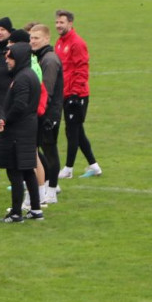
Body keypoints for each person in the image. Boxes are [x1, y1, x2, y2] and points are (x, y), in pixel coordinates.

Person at [0, 42, 44, 222]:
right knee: (26, 170)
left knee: (15, 171)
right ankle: (36, 209)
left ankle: (16, 212)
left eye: (10, 57)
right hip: (28, 128)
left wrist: (6, 119)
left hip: (18, 131)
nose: (7, 60)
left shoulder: (22, 78)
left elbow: (20, 105)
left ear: (19, 58)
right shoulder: (28, 74)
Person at [56, 9, 100, 178]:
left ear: (70, 23)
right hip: (65, 93)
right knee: (77, 131)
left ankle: (68, 168)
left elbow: (82, 69)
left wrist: (75, 94)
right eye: (57, 22)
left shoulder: (77, 43)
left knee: (72, 131)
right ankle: (94, 166)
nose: (59, 25)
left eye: (62, 22)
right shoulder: (60, 42)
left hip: (77, 95)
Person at [29, 24, 63, 205]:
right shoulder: (40, 57)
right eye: (31, 38)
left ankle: (52, 189)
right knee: (39, 149)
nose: (32, 41)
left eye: (36, 38)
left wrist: (41, 113)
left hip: (49, 114)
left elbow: (47, 91)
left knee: (50, 150)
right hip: (43, 112)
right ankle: (47, 184)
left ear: (47, 39)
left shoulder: (49, 60)